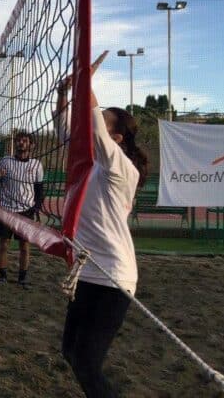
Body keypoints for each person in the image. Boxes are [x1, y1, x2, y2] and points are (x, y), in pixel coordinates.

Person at [56, 54, 148, 397]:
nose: (93, 123)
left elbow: (92, 124)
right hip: (88, 271)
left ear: (118, 140)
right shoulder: (91, 164)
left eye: (106, 122)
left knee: (86, 362)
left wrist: (85, 83)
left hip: (114, 277)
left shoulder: (121, 168)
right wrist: (64, 95)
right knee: (69, 352)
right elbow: (68, 128)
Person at [0, 131, 44, 288]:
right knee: (4, 244)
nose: (21, 143)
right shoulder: (5, 161)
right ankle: (3, 276)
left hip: (25, 211)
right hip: (6, 210)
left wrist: (36, 208)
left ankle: (22, 278)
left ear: (31, 145)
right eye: (19, 140)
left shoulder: (36, 165)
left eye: (25, 141)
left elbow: (39, 190)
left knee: (24, 246)